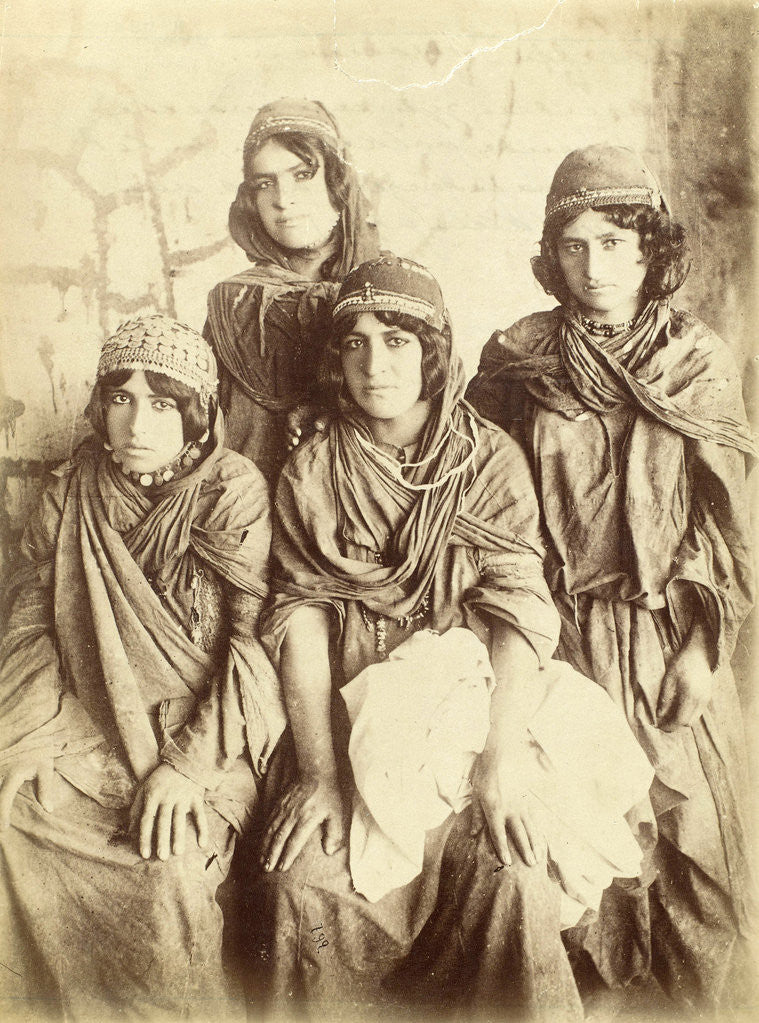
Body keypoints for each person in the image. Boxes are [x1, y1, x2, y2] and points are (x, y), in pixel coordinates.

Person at [246, 255, 660, 1022]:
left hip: (480, 717)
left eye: (398, 341)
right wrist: (321, 773)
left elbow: (516, 618)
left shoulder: (487, 462)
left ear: (434, 353)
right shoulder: (311, 469)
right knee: (300, 884)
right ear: (334, 358)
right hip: (351, 714)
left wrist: (499, 762)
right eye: (356, 343)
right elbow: (299, 615)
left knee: (516, 874)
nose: (376, 365)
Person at [465, 145, 756, 1013]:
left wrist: (703, 649)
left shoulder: (695, 362)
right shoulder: (517, 358)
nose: (595, 266)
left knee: (694, 843)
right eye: (575, 245)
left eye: (617, 242)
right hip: (554, 636)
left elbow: (725, 519)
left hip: (666, 627)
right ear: (549, 255)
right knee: (582, 838)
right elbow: (481, 490)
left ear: (651, 250)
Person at [0, 315, 286, 1020]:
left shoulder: (231, 488)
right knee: (11, 814)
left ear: (198, 412)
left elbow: (248, 647)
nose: (137, 420)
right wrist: (31, 731)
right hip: (83, 724)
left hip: (207, 735)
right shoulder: (74, 488)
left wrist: (186, 765)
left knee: (166, 870)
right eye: (120, 398)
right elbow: (33, 627)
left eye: (162, 400)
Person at [204, 98, 380, 485]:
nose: (283, 200)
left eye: (302, 175)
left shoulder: (391, 290)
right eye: (265, 183)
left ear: (337, 181)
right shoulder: (235, 305)